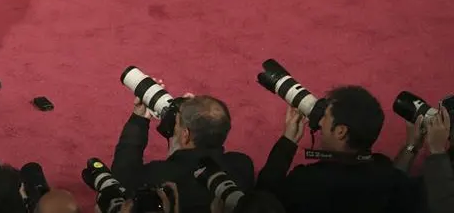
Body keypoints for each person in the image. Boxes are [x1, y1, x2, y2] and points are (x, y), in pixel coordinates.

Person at [256, 86, 422, 213]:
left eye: (326, 117)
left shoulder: (305, 182)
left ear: (340, 131)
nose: (320, 123)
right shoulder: (384, 170)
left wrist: (288, 141)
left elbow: (262, 199)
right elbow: (396, 179)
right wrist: (411, 145)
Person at [111, 91, 255, 213]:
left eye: (177, 122)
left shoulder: (159, 176)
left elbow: (121, 179)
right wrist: (195, 110)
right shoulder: (242, 165)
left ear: (185, 135)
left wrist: (139, 119)